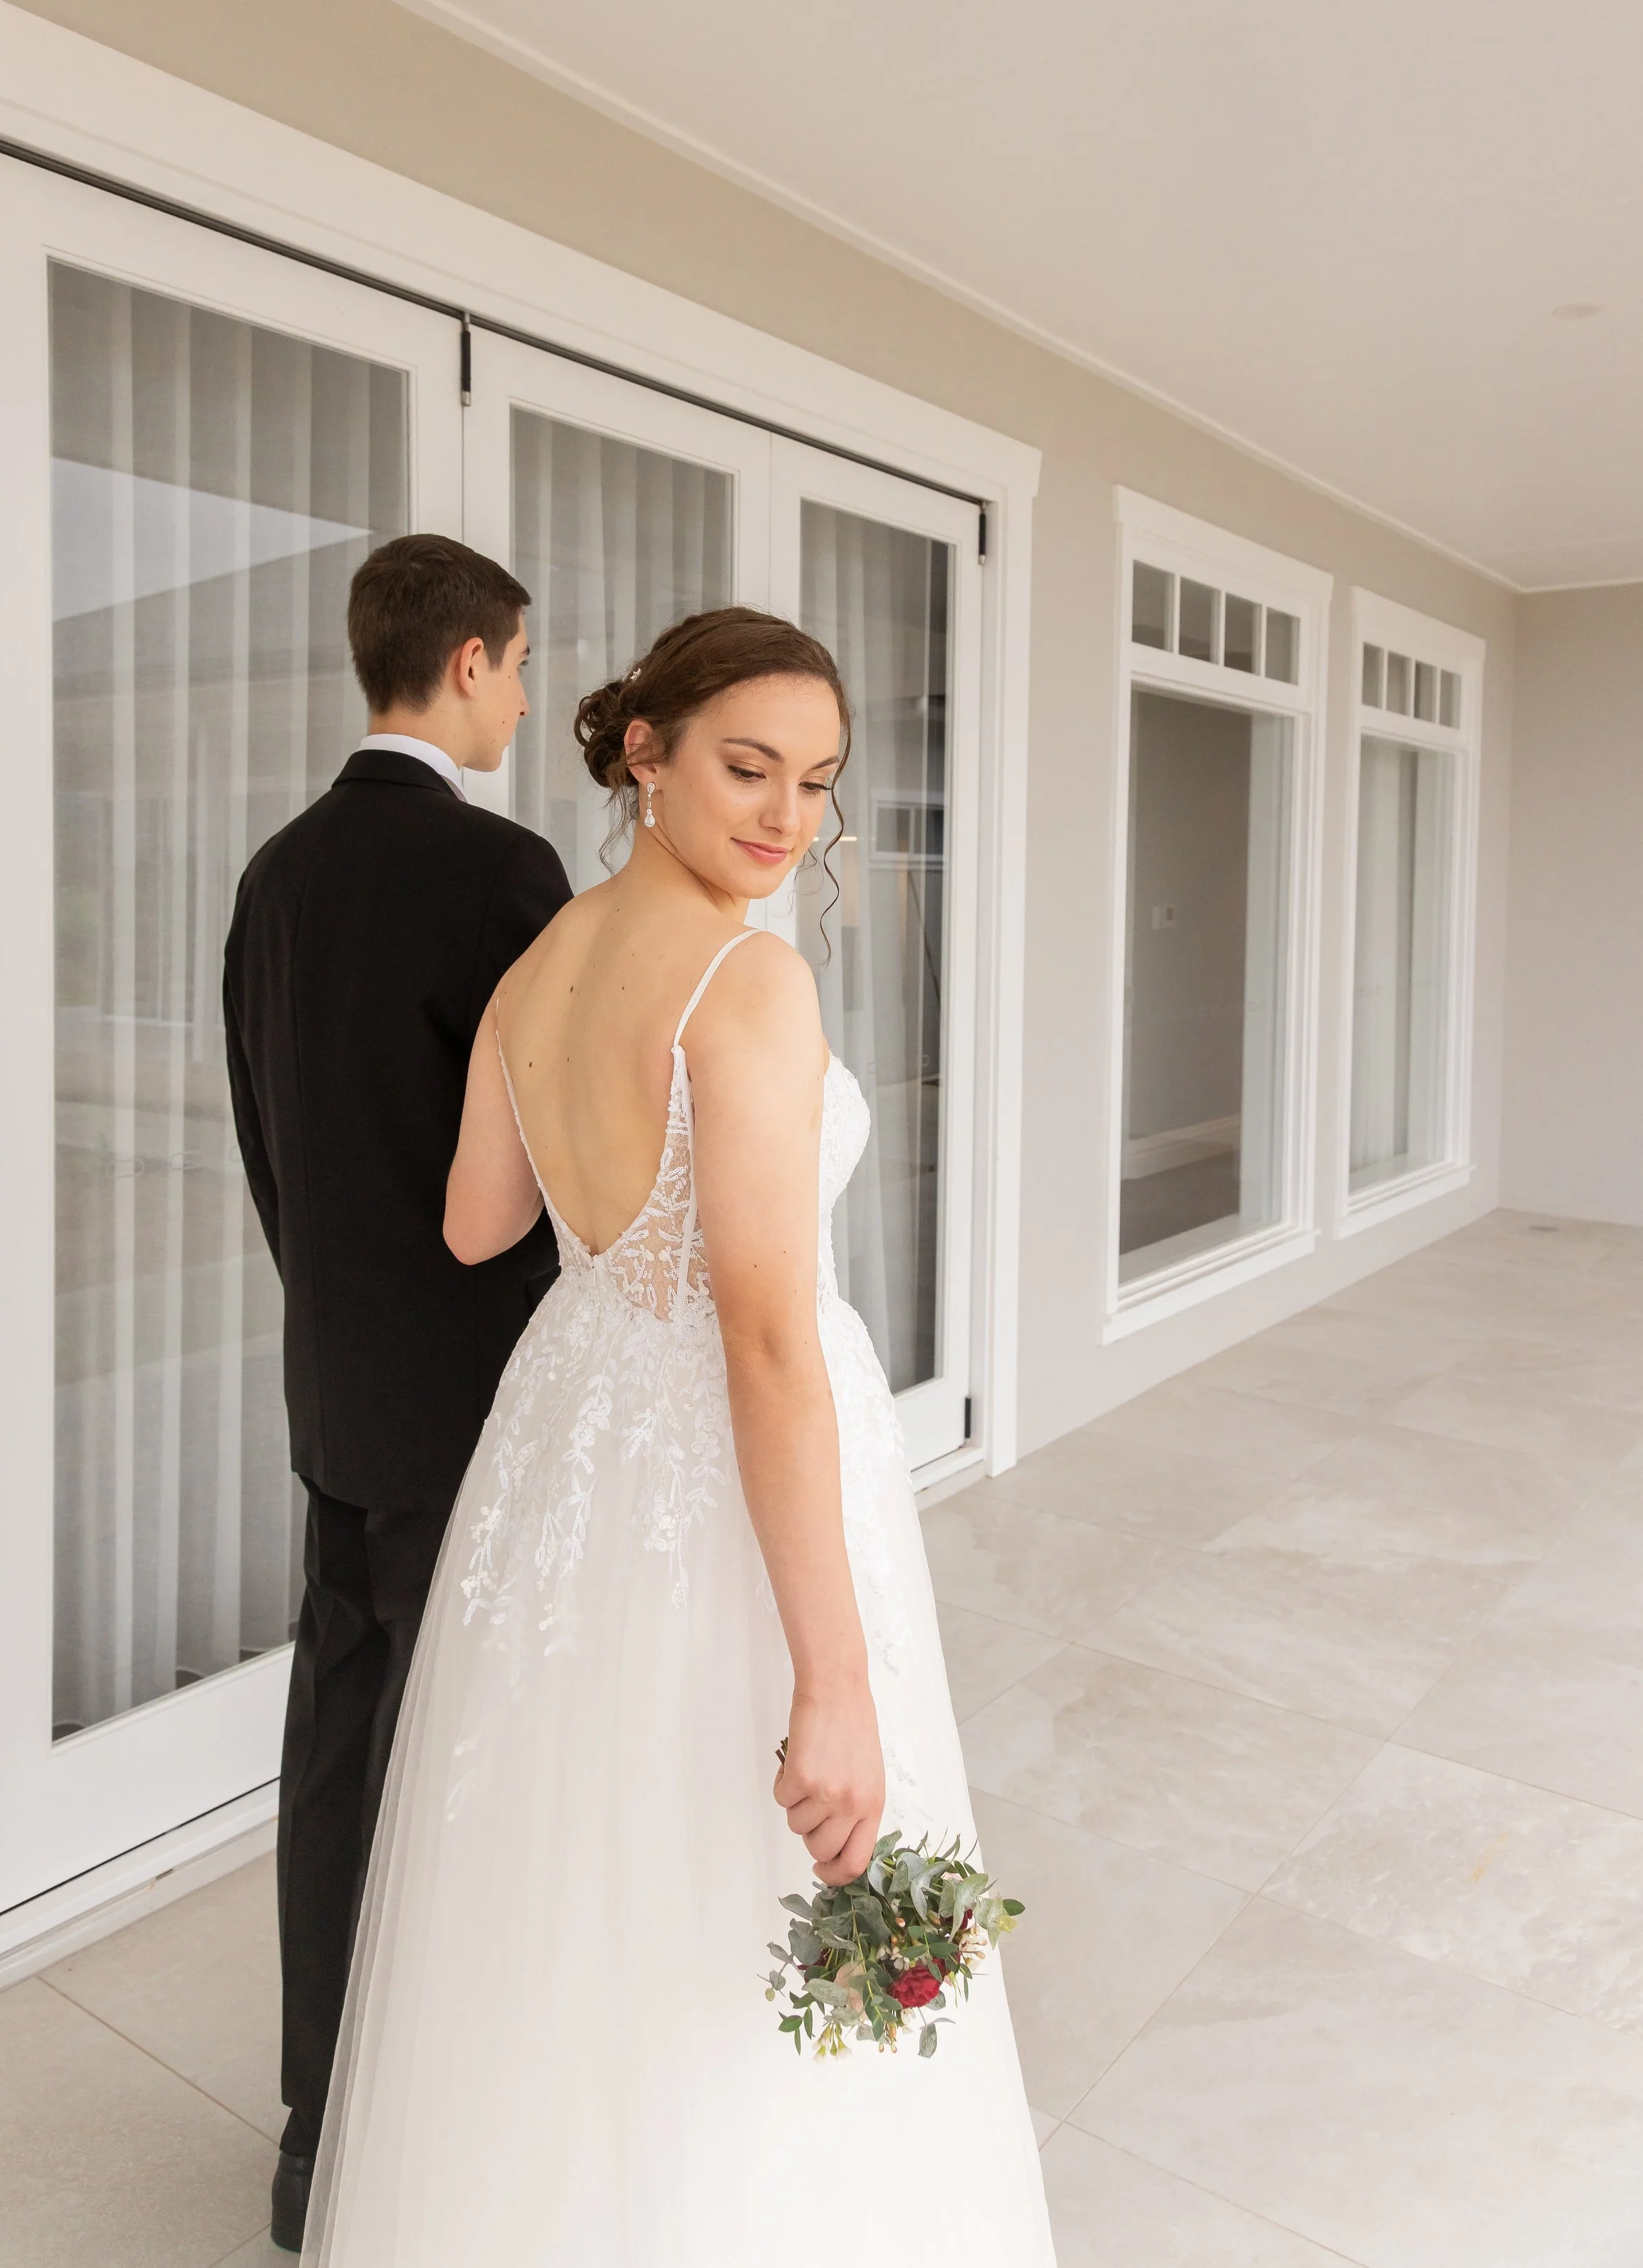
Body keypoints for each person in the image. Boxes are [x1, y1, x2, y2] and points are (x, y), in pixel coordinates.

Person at [303, 605, 1054, 2265]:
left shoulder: (540, 959)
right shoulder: (747, 975)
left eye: (816, 782)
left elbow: (476, 1224)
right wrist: (838, 1678)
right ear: (642, 754)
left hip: (566, 1452)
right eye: (745, 767)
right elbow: (770, 1340)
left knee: (578, 1873)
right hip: (719, 1463)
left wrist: (607, 1215)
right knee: (736, 1872)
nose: (786, 818)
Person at [223, 535, 572, 2253]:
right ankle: (450, 2156)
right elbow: (565, 1164)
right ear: (470, 662)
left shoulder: (275, 872)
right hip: (476, 1409)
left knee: (339, 1763)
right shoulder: (501, 869)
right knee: (479, 1772)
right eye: (516, 666)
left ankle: (316, 2144)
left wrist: (336, 1320)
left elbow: (266, 1145)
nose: (519, 694)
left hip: (335, 1393)